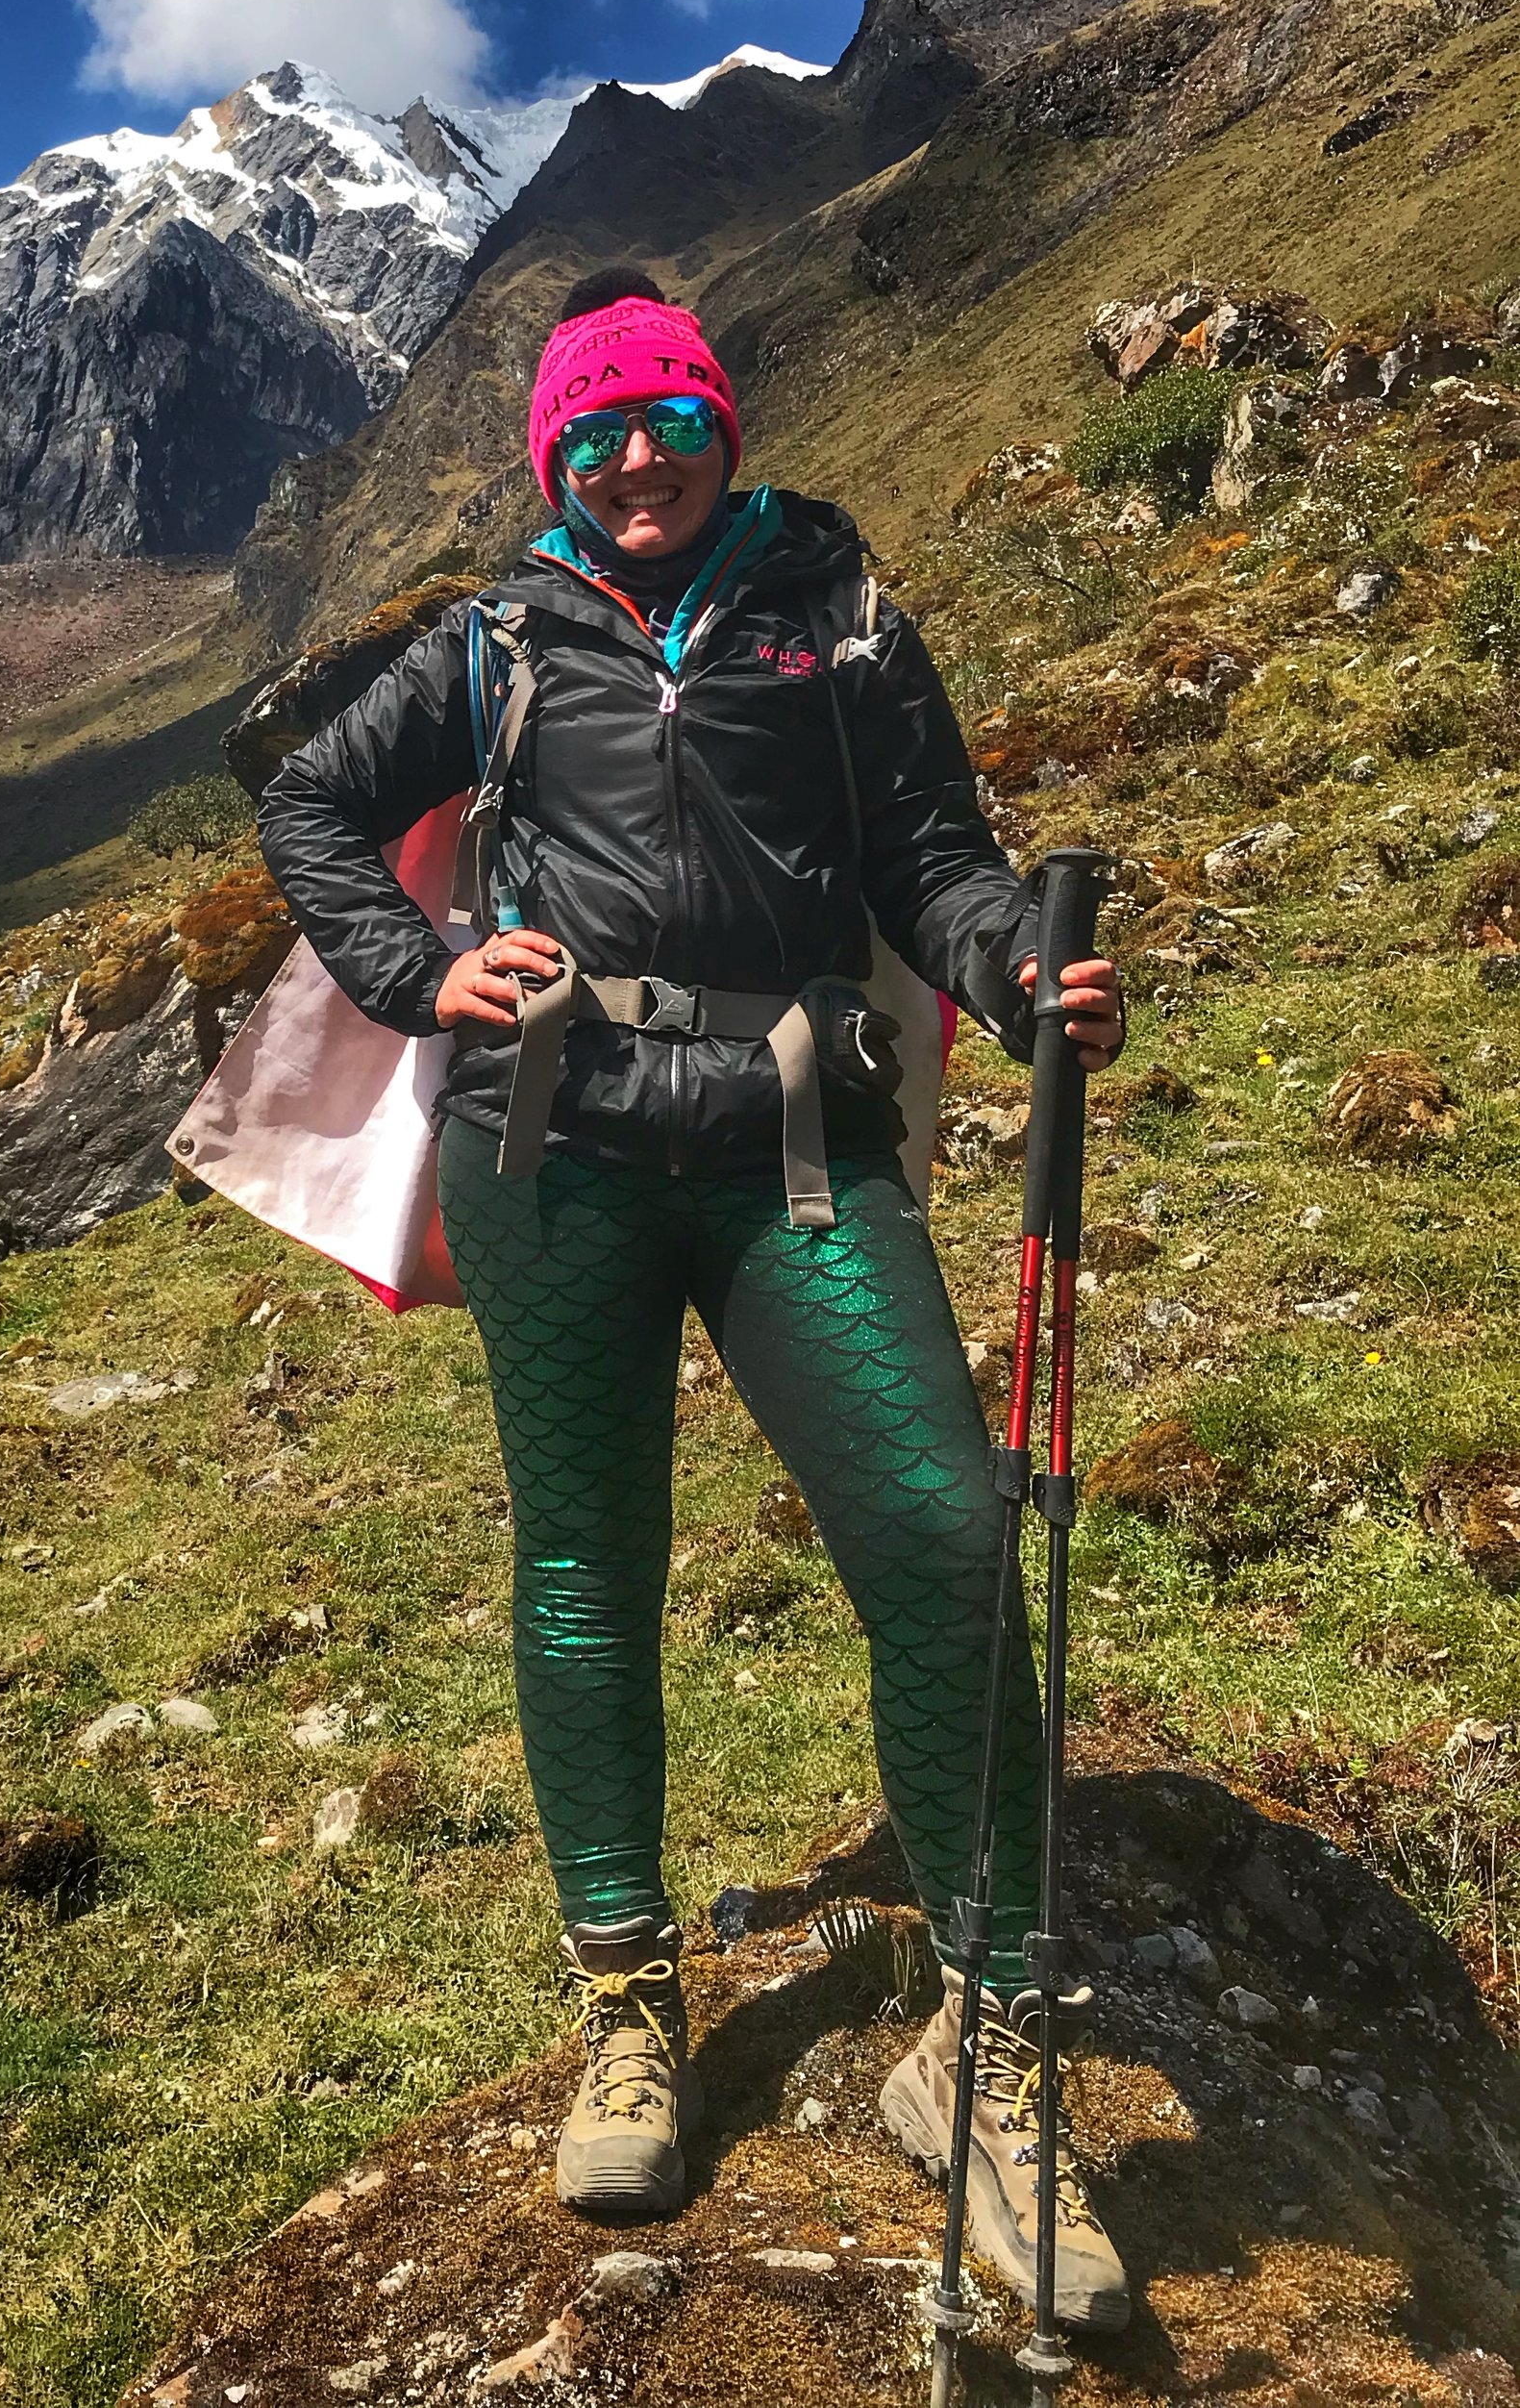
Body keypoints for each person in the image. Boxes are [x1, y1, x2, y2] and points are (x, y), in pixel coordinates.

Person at [256, 271, 1131, 2331]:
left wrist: (1009, 970)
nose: (634, 458)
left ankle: (988, 2056)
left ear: (720, 428)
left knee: (937, 1524)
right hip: (548, 1143)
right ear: (550, 454)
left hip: (791, 1149)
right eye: (594, 429)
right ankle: (624, 1999)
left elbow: (932, 847)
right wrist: (411, 973)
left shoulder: (830, 610)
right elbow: (305, 797)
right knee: (580, 1568)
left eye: (667, 419)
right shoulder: (488, 638)